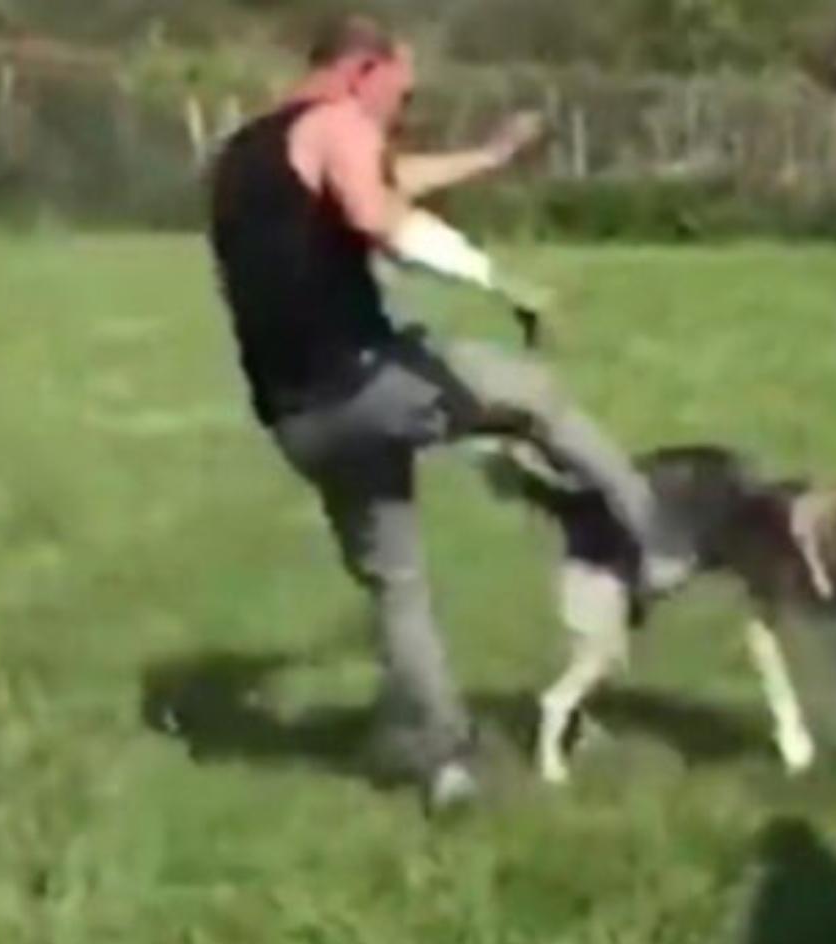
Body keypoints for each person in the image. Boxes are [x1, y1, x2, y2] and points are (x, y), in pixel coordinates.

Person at [206, 15, 688, 812]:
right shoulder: (336, 123)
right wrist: (505, 284)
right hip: (366, 381)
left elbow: (383, 179)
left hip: (297, 419)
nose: (397, 107)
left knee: (396, 583)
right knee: (535, 396)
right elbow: (380, 216)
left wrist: (490, 158)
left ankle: (445, 762)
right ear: (361, 70)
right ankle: (660, 541)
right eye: (399, 89)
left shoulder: (240, 156)